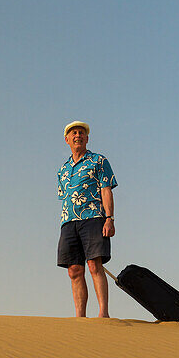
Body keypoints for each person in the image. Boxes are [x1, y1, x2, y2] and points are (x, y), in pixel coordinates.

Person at [57, 121, 117, 318]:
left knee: (94, 265)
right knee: (74, 270)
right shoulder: (63, 170)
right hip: (68, 222)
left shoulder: (98, 161)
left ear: (87, 138)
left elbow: (106, 190)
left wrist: (109, 218)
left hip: (93, 218)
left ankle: (103, 314)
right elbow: (64, 196)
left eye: (81, 133)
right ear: (67, 139)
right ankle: (80, 317)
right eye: (73, 133)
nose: (78, 136)